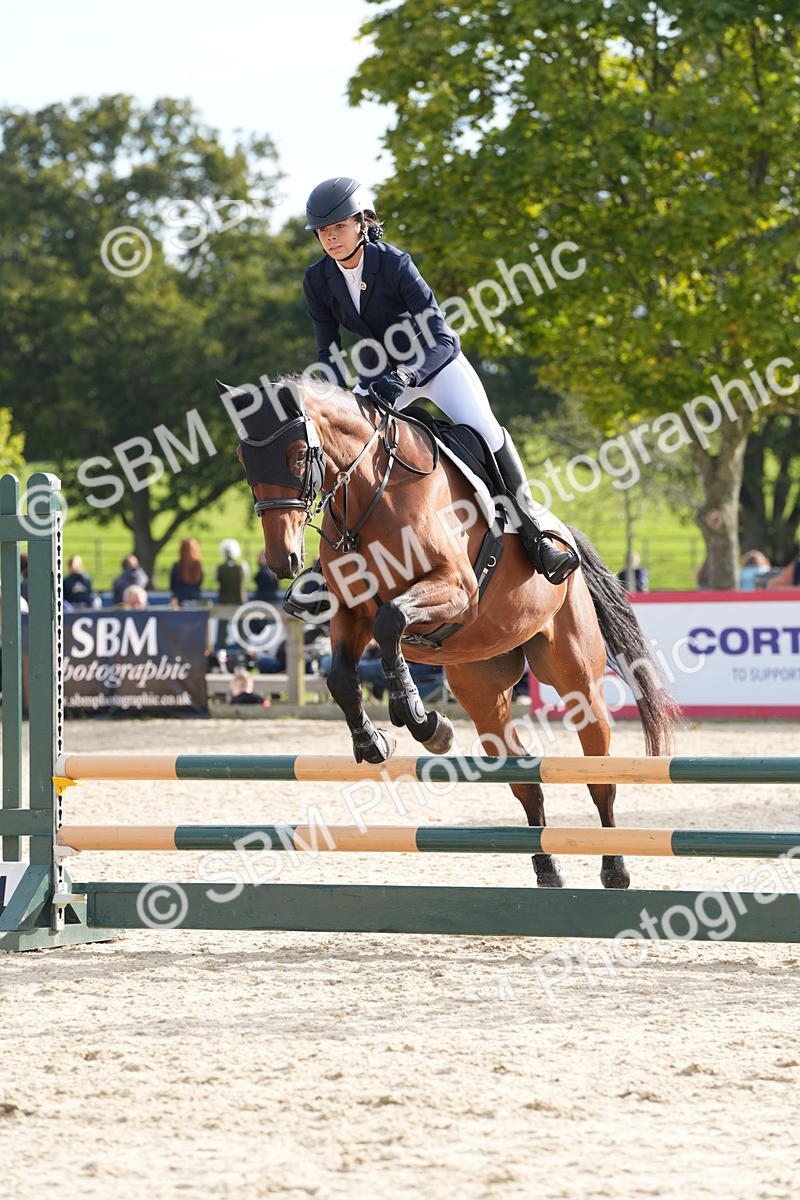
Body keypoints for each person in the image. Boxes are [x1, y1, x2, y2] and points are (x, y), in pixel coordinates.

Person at [302, 175, 579, 586]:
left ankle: (535, 534)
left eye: (339, 226)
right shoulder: (317, 279)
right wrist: (333, 402)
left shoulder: (395, 264)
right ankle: (327, 566)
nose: (330, 237)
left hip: (434, 365)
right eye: (323, 230)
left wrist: (407, 375)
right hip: (380, 376)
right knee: (343, 447)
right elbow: (328, 353)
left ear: (362, 223)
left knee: (486, 431)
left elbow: (442, 336)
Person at [215, 538, 248, 652]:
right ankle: (243, 652)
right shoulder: (242, 567)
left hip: (224, 602)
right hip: (239, 602)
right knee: (241, 629)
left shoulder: (220, 568)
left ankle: (222, 650)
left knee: (223, 629)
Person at [170, 537, 204, 605]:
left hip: (179, 600)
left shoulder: (177, 566)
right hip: (195, 599)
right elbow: (200, 582)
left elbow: (172, 585)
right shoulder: (199, 566)